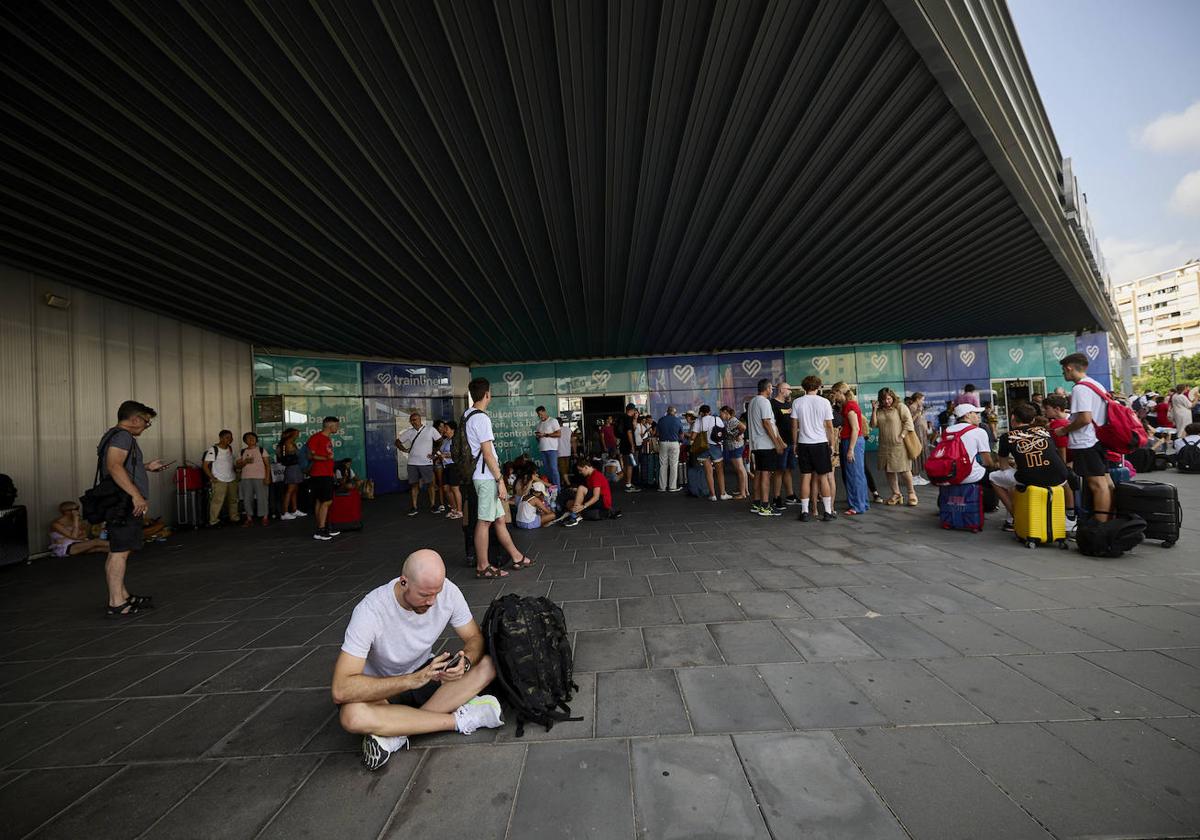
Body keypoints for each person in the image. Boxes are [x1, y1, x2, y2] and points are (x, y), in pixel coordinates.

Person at [333, 549, 503, 771]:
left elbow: (474, 637)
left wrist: (466, 662)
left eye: (436, 593)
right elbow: (340, 689)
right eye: (424, 595)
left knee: (488, 665)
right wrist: (412, 680)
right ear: (404, 582)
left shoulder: (448, 592)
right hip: (383, 690)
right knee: (351, 717)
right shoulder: (370, 611)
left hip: (428, 672)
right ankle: (458, 721)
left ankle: (396, 733)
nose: (432, 601)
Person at [98, 400, 169, 617]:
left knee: (118, 550)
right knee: (120, 553)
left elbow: (121, 465)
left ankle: (122, 594)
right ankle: (116, 602)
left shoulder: (113, 435)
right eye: (146, 423)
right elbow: (114, 466)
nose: (146, 427)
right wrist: (136, 496)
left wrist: (146, 467)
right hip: (123, 502)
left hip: (119, 500)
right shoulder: (123, 436)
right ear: (135, 419)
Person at [466, 378, 533, 579]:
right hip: (486, 478)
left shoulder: (467, 415)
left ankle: (516, 556)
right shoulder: (482, 418)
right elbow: (487, 454)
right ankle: (483, 566)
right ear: (487, 394)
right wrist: (500, 481)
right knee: (484, 522)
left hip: (481, 476)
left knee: (499, 520)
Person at [988, 403, 1069, 531]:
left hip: (1030, 477)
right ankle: (1070, 518)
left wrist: (1016, 465)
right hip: (1059, 476)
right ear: (1032, 420)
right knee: (1063, 477)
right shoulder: (1043, 431)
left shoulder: (1007, 436)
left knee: (994, 477)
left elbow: (1003, 466)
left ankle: (1016, 517)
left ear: (1013, 418)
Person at [1054, 353, 1113, 523]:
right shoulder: (1096, 385)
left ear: (1069, 368)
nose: (1063, 374)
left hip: (1087, 442)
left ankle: (1100, 526)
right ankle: (1109, 520)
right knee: (1106, 482)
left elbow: (1085, 418)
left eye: (1063, 371)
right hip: (1099, 440)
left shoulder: (1080, 388)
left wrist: (1064, 430)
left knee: (1097, 484)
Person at [790, 375, 837, 522]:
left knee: (805, 477)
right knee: (823, 477)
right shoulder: (824, 402)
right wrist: (832, 444)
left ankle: (804, 512)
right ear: (818, 386)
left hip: (804, 443)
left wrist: (795, 443)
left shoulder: (797, 402)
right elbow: (829, 426)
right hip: (821, 443)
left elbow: (794, 426)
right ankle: (828, 512)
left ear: (804, 387)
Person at [870, 388, 918, 507]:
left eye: (889, 398)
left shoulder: (900, 407)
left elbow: (909, 422)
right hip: (884, 445)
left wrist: (901, 436)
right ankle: (896, 494)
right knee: (889, 470)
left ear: (893, 397)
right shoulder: (879, 410)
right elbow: (873, 424)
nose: (887, 401)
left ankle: (912, 493)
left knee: (904, 469)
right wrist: (874, 409)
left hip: (899, 444)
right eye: (884, 399)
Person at [748, 378, 785, 516]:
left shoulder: (753, 401)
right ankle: (765, 505)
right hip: (765, 444)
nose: (772, 390)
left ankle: (757, 503)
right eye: (771, 388)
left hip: (757, 444)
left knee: (759, 473)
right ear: (768, 388)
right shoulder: (764, 402)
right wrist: (776, 443)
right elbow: (767, 423)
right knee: (765, 474)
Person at [831, 382, 869, 516]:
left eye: (834, 393)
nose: (833, 396)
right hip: (853, 441)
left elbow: (856, 429)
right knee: (858, 473)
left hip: (852, 441)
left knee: (853, 474)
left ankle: (857, 506)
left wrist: (851, 449)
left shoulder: (850, 406)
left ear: (839, 392)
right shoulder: (848, 405)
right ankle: (862, 503)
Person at [397, 413, 441, 517]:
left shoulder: (430, 429)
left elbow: (440, 441)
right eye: (411, 420)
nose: (413, 422)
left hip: (426, 463)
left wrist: (434, 453)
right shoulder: (409, 432)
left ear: (420, 419)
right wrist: (404, 449)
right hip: (412, 463)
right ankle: (414, 507)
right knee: (414, 485)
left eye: (415, 419)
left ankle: (433, 505)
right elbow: (397, 442)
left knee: (430, 484)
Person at [1041, 394, 1076, 521]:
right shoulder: (1069, 420)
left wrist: (1063, 466)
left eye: (1047, 408)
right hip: (1075, 459)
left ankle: (1069, 514)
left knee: (1064, 482)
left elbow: (1062, 449)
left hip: (1065, 461)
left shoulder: (1057, 425)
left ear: (1056, 409)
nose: (1045, 411)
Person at [943, 403, 995, 485]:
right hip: (971, 475)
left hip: (949, 474)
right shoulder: (979, 431)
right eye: (976, 413)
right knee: (996, 479)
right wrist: (994, 467)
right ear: (967, 415)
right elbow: (986, 461)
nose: (978, 416)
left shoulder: (947, 430)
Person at [307, 416, 341, 541]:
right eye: (336, 425)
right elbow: (311, 456)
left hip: (326, 473)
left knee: (321, 501)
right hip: (319, 474)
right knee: (326, 501)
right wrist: (326, 459)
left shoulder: (326, 438)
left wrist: (331, 471)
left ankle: (324, 527)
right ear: (330, 426)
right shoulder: (316, 438)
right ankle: (320, 530)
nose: (338, 428)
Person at [203, 430, 240, 527]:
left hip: (231, 478)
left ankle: (234, 518)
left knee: (233, 500)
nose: (230, 439)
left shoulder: (230, 448)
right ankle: (213, 521)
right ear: (221, 438)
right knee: (217, 501)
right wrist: (212, 477)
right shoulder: (213, 449)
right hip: (219, 479)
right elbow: (205, 465)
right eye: (227, 437)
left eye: (231, 437)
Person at [694, 404, 730, 502]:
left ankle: (713, 495)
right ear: (709, 411)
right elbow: (723, 431)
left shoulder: (698, 421)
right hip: (715, 447)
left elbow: (693, 436)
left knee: (708, 472)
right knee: (720, 471)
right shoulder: (716, 419)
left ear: (701, 412)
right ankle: (723, 494)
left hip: (704, 447)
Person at [770, 381, 797, 506]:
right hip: (781, 443)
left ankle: (790, 496)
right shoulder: (773, 404)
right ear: (781, 390)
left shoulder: (788, 404)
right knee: (779, 470)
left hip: (790, 442)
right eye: (788, 389)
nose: (790, 391)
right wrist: (778, 442)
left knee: (788, 469)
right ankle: (776, 498)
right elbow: (772, 425)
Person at [238, 432, 271, 527]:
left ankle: (265, 518)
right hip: (246, 478)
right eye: (248, 438)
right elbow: (237, 465)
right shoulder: (242, 452)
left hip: (260, 477)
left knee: (263, 498)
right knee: (247, 499)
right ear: (245, 441)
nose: (251, 439)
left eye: (253, 438)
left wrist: (267, 477)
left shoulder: (261, 450)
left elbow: (267, 465)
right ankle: (249, 518)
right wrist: (245, 462)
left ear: (256, 439)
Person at [276, 428, 307, 521]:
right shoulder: (288, 444)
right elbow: (295, 455)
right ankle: (284, 512)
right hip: (292, 468)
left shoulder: (289, 443)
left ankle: (294, 509)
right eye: (296, 434)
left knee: (295, 489)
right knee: (290, 490)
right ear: (291, 434)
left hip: (295, 468)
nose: (298, 435)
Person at [435, 421, 462, 520]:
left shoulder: (456, 441)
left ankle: (459, 511)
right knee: (446, 488)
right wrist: (437, 457)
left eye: (446, 428)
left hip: (454, 466)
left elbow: (458, 454)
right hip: (445, 466)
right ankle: (453, 508)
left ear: (453, 430)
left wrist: (445, 455)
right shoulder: (445, 440)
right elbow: (441, 452)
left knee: (455, 489)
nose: (444, 430)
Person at [720, 406, 748, 499]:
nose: (720, 415)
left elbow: (743, 427)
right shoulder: (730, 421)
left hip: (735, 447)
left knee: (740, 469)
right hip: (734, 447)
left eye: (721, 413)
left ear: (725, 412)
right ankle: (744, 490)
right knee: (741, 469)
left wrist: (738, 435)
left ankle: (743, 493)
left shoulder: (733, 420)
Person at [656, 406, 683, 492]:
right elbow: (681, 434)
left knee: (663, 465)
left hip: (663, 443)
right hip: (674, 443)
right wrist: (681, 441)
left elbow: (657, 433)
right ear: (674, 413)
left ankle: (662, 487)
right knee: (673, 465)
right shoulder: (677, 420)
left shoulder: (661, 420)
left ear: (667, 412)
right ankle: (672, 487)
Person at [534, 406, 562, 487]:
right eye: (538, 415)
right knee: (547, 470)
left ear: (545, 412)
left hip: (552, 449)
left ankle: (558, 488)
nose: (540, 416)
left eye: (541, 414)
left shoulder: (553, 421)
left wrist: (546, 434)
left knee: (554, 469)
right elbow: (539, 439)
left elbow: (559, 434)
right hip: (543, 449)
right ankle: (551, 487)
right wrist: (538, 437)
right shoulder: (539, 424)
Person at [908, 392, 931, 485]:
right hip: (916, 433)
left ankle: (917, 474)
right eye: (922, 399)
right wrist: (918, 413)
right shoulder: (911, 408)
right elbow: (909, 421)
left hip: (921, 433)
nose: (923, 401)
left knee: (921, 452)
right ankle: (914, 475)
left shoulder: (918, 408)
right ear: (917, 399)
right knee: (916, 452)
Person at [618, 403, 641, 493]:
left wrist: (635, 419)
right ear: (632, 410)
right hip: (628, 444)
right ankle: (628, 484)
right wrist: (632, 445)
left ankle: (627, 482)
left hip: (623, 444)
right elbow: (630, 432)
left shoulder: (622, 418)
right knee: (630, 465)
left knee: (626, 463)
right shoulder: (627, 419)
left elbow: (633, 428)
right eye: (635, 410)